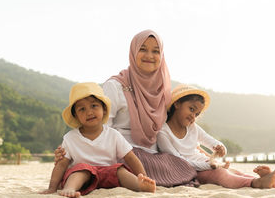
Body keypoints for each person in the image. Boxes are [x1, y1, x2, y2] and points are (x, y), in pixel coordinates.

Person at [55, 30, 197, 187]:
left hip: (155, 153)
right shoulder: (115, 86)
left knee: (181, 166)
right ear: (133, 51)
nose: (149, 55)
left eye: (156, 51)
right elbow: (100, 128)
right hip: (123, 152)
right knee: (133, 164)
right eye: (143, 49)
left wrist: (197, 150)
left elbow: (168, 130)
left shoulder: (162, 90)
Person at [41, 82, 156, 198]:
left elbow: (131, 158)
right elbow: (61, 165)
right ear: (75, 116)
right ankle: (70, 189)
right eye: (82, 109)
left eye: (94, 106)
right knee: (81, 170)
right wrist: (52, 187)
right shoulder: (70, 138)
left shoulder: (113, 135)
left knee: (120, 170)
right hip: (84, 178)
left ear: (104, 109)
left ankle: (140, 185)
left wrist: (143, 176)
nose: (89, 112)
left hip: (108, 175)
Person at [157, 84, 275, 189]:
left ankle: (266, 181)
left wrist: (220, 148)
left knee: (234, 172)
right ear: (177, 104)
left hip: (207, 163)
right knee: (221, 175)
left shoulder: (193, 128)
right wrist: (211, 165)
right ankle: (255, 183)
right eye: (191, 109)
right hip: (192, 171)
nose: (193, 116)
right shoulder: (164, 133)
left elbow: (212, 142)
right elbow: (179, 162)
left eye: (197, 114)